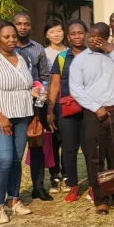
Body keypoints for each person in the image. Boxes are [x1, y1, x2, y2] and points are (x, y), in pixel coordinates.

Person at [68, 22, 114, 215]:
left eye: (97, 37)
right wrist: (95, 107)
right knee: (95, 158)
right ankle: (100, 200)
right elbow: (76, 88)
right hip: (93, 114)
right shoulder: (80, 60)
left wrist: (112, 52)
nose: (92, 40)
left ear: (106, 38)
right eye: (90, 35)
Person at [0, 21, 38, 224]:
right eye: (6, 37)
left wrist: (33, 92)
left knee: (16, 160)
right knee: (4, 160)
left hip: (22, 116)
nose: (12, 40)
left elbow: (26, 85)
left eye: (14, 36)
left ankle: (13, 200)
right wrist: (0, 116)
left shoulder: (22, 58)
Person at [46, 20, 91, 203]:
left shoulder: (94, 55)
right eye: (73, 33)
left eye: (80, 33)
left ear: (86, 34)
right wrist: (50, 109)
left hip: (89, 110)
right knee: (69, 150)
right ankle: (73, 186)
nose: (77, 36)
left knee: (90, 150)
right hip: (67, 109)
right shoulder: (62, 57)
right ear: (68, 36)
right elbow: (55, 85)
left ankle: (94, 186)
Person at [12, 12, 53, 202]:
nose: (23, 27)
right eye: (19, 24)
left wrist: (41, 99)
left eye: (26, 24)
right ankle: (13, 192)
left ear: (31, 26)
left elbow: (45, 76)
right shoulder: (6, 49)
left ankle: (38, 187)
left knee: (37, 147)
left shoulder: (38, 49)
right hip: (12, 105)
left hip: (35, 106)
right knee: (14, 150)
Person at [42, 18, 67, 194]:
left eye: (59, 31)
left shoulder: (69, 52)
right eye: (52, 32)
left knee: (67, 140)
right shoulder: (43, 53)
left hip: (67, 101)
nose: (56, 35)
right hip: (48, 101)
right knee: (52, 140)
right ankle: (54, 175)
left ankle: (66, 174)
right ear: (46, 35)